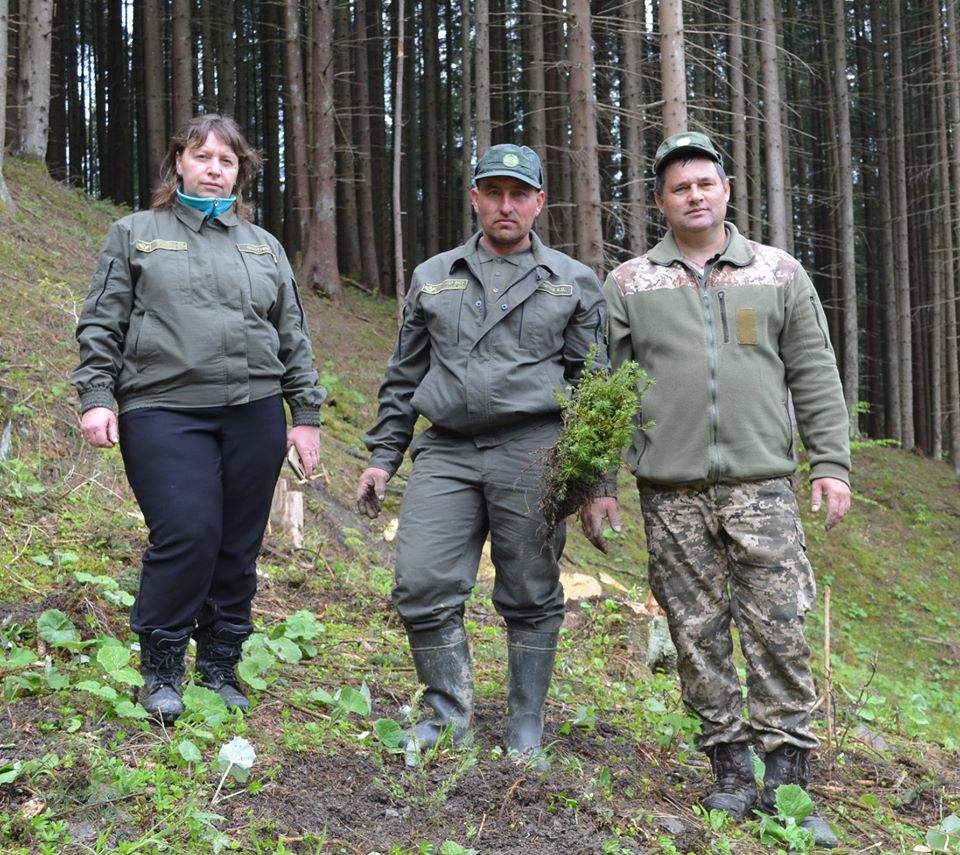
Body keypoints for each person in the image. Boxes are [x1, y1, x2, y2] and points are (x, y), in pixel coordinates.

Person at [585, 131, 851, 847]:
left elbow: (816, 374)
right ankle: (730, 770)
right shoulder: (631, 283)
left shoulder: (777, 272)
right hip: (669, 493)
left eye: (705, 182)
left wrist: (830, 463)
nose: (694, 195)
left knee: (779, 628)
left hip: (763, 486)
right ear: (659, 201)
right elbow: (603, 392)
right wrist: (598, 483)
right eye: (679, 187)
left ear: (726, 189)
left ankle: (786, 780)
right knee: (695, 633)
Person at [356, 144, 609, 769]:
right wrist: (383, 456)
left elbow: (595, 389)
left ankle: (525, 721)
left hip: (533, 450)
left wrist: (599, 483)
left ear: (538, 203)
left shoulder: (572, 282)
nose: (505, 205)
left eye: (518, 194)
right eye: (493, 192)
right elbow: (403, 375)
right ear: (475, 197)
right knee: (421, 581)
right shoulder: (434, 275)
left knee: (530, 589)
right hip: (446, 449)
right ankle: (447, 716)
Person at [71, 114, 325, 724]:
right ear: (179, 163)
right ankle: (160, 668)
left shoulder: (263, 246)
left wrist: (306, 414)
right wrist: (96, 396)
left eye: (227, 161)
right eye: (203, 157)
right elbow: (101, 324)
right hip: (163, 409)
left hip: (254, 413)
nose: (214, 169)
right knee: (187, 533)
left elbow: (292, 334)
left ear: (240, 171)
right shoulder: (136, 233)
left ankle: (219, 663)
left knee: (237, 545)